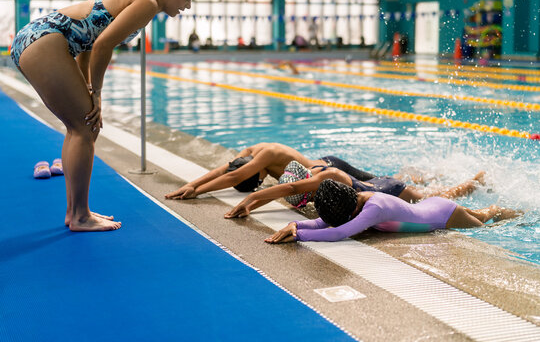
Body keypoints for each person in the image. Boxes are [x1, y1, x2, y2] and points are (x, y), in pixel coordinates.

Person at [10, 0, 200, 231]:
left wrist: (89, 90)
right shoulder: (148, 2)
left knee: (80, 127)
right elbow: (103, 46)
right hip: (44, 42)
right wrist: (96, 95)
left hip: (37, 39)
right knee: (85, 128)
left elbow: (88, 44)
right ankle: (80, 216)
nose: (186, 6)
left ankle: (75, 212)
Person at [265, 179, 521, 243]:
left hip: (443, 215)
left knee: (487, 224)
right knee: (482, 216)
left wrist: (299, 234)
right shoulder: (353, 201)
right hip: (433, 207)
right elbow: (326, 223)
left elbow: (339, 233)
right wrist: (295, 226)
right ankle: (500, 207)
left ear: (350, 209)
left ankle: (519, 215)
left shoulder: (374, 208)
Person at [224, 160, 485, 218]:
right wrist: (250, 206)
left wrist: (252, 198)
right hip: (376, 183)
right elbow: (285, 190)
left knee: (433, 198)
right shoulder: (314, 179)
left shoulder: (321, 180)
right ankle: (432, 175)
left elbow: (288, 188)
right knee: (429, 192)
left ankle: (474, 182)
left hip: (388, 189)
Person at [165, 142, 378, 200]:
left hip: (331, 167)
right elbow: (225, 171)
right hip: (321, 172)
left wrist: (197, 193)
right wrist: (191, 184)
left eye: (257, 181)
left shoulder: (267, 153)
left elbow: (235, 176)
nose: (261, 181)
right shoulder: (247, 153)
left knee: (378, 184)